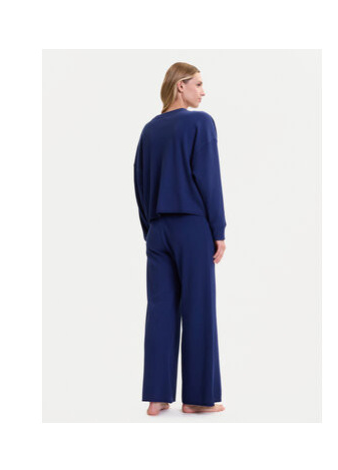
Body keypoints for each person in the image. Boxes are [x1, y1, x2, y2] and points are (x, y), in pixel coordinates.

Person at [133, 62, 227, 416]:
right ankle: (197, 399)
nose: (203, 91)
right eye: (198, 84)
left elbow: (140, 182)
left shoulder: (149, 130)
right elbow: (208, 178)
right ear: (180, 86)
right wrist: (218, 230)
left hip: (158, 230)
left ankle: (157, 398)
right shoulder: (200, 122)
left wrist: (151, 230)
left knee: (160, 311)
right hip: (191, 227)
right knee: (198, 309)